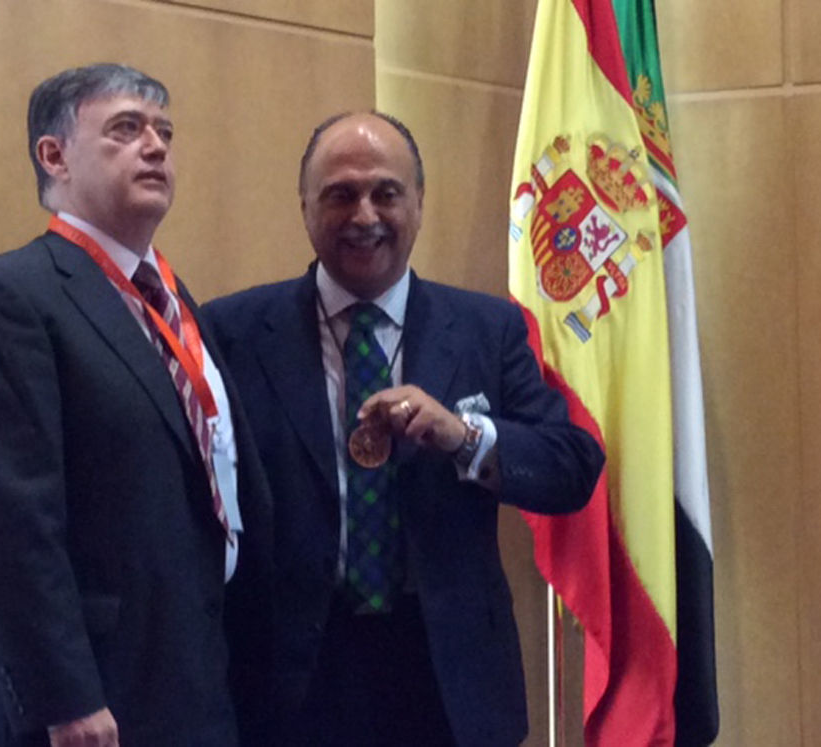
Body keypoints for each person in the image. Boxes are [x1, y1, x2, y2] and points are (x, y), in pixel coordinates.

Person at [202, 111, 605, 746]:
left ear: (419, 202)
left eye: (385, 193)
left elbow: (571, 468)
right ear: (305, 206)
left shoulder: (487, 329)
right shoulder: (233, 331)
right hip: (292, 679)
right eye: (341, 195)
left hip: (446, 676)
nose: (364, 215)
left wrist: (466, 437)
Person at [0, 63, 271, 747]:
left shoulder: (173, 301)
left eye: (164, 131)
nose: (156, 146)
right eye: (126, 128)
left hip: (189, 677)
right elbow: (5, 519)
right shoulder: (7, 295)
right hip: (83, 702)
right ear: (54, 156)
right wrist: (66, 698)